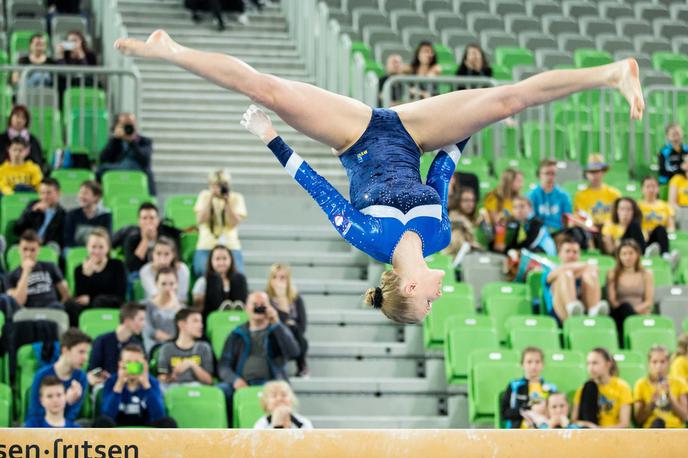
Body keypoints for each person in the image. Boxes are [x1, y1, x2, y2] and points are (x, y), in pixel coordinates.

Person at [114, 30, 644, 324]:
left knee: (267, 91)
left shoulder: (371, 238)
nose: (438, 295)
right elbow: (443, 172)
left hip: (356, 135)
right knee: (506, 96)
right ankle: (611, 72)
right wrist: (475, 124)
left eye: (428, 301)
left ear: (409, 286)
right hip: (415, 134)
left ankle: (170, 50)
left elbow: (318, 190)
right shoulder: (437, 236)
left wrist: (269, 137)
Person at [217, 291, 300, 423]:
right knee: (221, 391)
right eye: (255, 304)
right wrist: (235, 380)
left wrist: (277, 323)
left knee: (282, 393)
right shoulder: (236, 334)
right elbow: (223, 365)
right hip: (242, 382)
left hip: (272, 382)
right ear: (246, 308)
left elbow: (294, 352)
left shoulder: (276, 330)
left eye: (262, 305)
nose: (258, 308)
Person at [96, 344, 177, 428]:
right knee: (101, 422)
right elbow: (106, 414)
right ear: (120, 364)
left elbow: (159, 415)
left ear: (144, 364)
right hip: (118, 425)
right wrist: (119, 384)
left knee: (168, 423)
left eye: (137, 363)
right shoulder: (112, 381)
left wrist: (146, 385)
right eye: (128, 362)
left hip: (146, 425)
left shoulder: (151, 382)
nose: (133, 366)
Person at [27, 328, 96, 423]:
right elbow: (34, 415)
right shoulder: (42, 375)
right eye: (81, 352)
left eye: (87, 353)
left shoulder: (81, 377)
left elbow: (71, 417)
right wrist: (64, 401)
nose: (85, 358)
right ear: (65, 350)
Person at [66, 228, 127, 327]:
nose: (97, 251)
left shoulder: (117, 265)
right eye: (93, 247)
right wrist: (86, 276)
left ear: (107, 248)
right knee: (70, 305)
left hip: (112, 303)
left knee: (99, 300)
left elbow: (120, 294)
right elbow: (81, 296)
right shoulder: (79, 269)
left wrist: (92, 298)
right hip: (89, 305)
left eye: (101, 247)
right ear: (87, 247)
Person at [193, 169, 247, 276]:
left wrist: (227, 202)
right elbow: (201, 219)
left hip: (230, 246)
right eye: (216, 185)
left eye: (223, 185)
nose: (219, 188)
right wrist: (210, 198)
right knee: (202, 271)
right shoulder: (204, 196)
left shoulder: (236, 198)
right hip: (206, 245)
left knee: (237, 275)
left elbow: (233, 223)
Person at [542, 236, 609, 323]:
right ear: (559, 254)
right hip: (560, 314)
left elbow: (595, 268)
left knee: (590, 274)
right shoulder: (551, 271)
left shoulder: (585, 271)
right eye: (567, 251)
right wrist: (587, 264)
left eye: (575, 252)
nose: (571, 255)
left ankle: (593, 311)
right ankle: (572, 307)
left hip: (584, 311)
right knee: (566, 274)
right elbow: (563, 270)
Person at [606, 240, 654, 345]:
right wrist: (631, 311)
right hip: (620, 312)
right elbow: (613, 301)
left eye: (631, 253)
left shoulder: (646, 274)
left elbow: (648, 301)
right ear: (619, 256)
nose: (628, 257)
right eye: (624, 254)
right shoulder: (613, 274)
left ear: (637, 254)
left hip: (640, 310)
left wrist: (634, 311)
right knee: (625, 307)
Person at [8, 230, 70, 310]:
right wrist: (26, 272)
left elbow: (66, 295)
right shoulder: (11, 275)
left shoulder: (51, 266)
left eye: (32, 250)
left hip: (52, 307)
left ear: (38, 250)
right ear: (19, 249)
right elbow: (18, 302)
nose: (28, 254)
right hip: (27, 311)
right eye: (25, 249)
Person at [97, 112, 156, 196]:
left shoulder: (145, 141)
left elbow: (145, 161)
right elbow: (103, 159)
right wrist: (115, 139)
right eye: (125, 124)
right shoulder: (115, 141)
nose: (128, 127)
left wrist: (132, 142)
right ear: (118, 125)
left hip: (139, 170)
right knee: (101, 170)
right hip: (118, 169)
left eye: (131, 124)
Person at [572, 348, 632, 428]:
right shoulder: (584, 389)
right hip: (590, 434)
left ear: (608, 364)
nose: (591, 368)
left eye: (595, 363)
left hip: (614, 435)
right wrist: (589, 425)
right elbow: (574, 420)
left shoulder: (622, 387)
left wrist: (600, 431)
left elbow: (624, 423)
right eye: (588, 364)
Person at [266, 264, 309, 377]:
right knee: (288, 328)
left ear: (288, 280)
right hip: (273, 336)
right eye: (274, 277)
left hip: (294, 337)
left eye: (282, 277)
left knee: (296, 331)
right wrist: (283, 305)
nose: (277, 281)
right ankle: (300, 365)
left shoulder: (296, 299)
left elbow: (302, 326)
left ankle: (302, 367)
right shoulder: (266, 298)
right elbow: (272, 323)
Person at [500, 347, 557, 429]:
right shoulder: (514, 386)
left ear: (543, 365)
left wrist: (544, 410)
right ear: (522, 364)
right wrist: (529, 410)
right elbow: (505, 413)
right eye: (529, 362)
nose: (533, 366)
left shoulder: (551, 388)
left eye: (537, 362)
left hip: (544, 432)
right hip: (518, 432)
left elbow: (556, 413)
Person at [633, 345, 688, 428]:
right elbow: (638, 421)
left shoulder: (679, 383)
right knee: (658, 423)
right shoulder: (641, 384)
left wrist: (669, 397)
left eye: (662, 362)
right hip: (651, 431)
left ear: (668, 363)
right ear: (649, 364)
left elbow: (685, 417)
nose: (659, 366)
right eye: (654, 362)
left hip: (675, 430)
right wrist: (652, 403)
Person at [157, 309, 214, 387]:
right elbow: (161, 379)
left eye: (201, 321)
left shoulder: (204, 347)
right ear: (182, 324)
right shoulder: (166, 349)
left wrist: (192, 364)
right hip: (174, 388)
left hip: (198, 389)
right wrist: (171, 376)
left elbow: (209, 381)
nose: (201, 325)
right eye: (195, 321)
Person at [88, 302, 146, 378]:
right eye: (141, 319)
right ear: (128, 321)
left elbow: (141, 368)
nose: (144, 324)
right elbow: (93, 369)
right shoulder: (102, 341)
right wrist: (101, 375)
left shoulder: (137, 344)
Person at [121, 202, 180, 274]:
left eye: (152, 218)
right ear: (139, 221)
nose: (148, 222)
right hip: (141, 273)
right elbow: (132, 267)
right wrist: (145, 240)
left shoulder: (169, 235)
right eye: (144, 218)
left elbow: (177, 260)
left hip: (166, 272)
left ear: (158, 220)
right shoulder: (132, 238)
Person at [192, 245, 248, 321]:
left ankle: (236, 311)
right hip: (213, 318)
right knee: (214, 278)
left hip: (236, 319)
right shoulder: (202, 281)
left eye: (224, 258)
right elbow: (197, 306)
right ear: (211, 261)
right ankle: (222, 310)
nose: (221, 262)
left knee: (238, 277)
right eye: (217, 259)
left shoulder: (239, 279)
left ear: (231, 260)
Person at [13, 178, 66, 249]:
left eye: (48, 193)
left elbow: (60, 240)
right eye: (42, 193)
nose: (44, 197)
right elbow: (17, 230)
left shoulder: (63, 215)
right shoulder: (32, 206)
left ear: (58, 194)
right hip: (28, 244)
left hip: (47, 247)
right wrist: (31, 212)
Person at [574, 154, 622, 232]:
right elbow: (580, 217)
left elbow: (620, 216)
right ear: (586, 174)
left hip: (611, 229)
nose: (594, 175)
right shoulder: (580, 195)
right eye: (591, 172)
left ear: (603, 172)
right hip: (589, 229)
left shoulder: (614, 193)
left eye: (597, 171)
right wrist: (589, 226)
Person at [143, 267, 183, 353]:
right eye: (163, 284)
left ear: (177, 284)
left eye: (172, 284)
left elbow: (185, 329)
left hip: (177, 348)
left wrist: (177, 307)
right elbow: (149, 330)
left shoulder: (181, 308)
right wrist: (171, 340)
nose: (168, 288)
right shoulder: (146, 306)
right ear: (156, 284)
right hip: (154, 347)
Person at [139, 237, 190, 302]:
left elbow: (182, 297)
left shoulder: (182, 269)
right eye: (158, 254)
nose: (162, 259)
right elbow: (154, 294)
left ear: (173, 255)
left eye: (167, 254)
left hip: (177, 305)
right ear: (152, 254)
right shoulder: (145, 270)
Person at [63, 180, 112, 248]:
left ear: (96, 197)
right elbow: (68, 240)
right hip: (75, 250)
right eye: (80, 193)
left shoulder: (105, 216)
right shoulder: (72, 214)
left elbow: (106, 239)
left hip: (97, 250)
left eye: (85, 193)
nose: (81, 196)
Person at [529, 159, 572, 233]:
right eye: (547, 173)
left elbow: (567, 220)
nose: (550, 177)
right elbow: (531, 222)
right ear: (539, 175)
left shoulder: (563, 196)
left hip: (559, 233)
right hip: (539, 233)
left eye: (553, 174)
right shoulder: (531, 196)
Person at [638, 176, 675, 257]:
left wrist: (669, 232)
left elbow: (671, 226)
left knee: (660, 228)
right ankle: (647, 250)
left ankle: (665, 254)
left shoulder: (665, 206)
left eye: (654, 186)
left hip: (659, 236)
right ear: (642, 189)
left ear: (658, 189)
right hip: (643, 237)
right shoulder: (637, 206)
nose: (651, 190)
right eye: (648, 186)